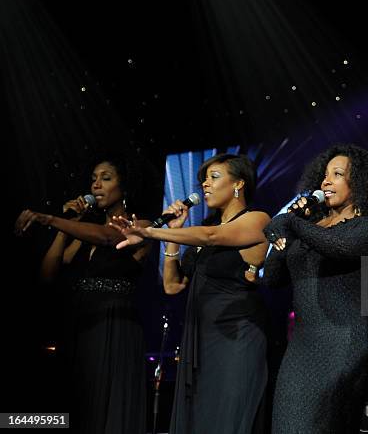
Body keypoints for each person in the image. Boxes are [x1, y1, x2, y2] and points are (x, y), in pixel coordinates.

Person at [111, 153, 270, 434]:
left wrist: (150, 232)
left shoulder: (256, 219)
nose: (205, 185)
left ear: (239, 184)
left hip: (235, 339)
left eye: (214, 177)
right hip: (199, 339)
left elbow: (213, 238)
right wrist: (174, 232)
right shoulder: (205, 230)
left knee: (227, 418)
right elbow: (172, 286)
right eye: (204, 180)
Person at [262, 143, 368, 434]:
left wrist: (290, 222)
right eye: (324, 175)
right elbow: (272, 279)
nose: (326, 181)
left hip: (343, 344)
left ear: (359, 183)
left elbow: (340, 247)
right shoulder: (310, 226)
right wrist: (285, 235)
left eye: (337, 174)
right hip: (301, 349)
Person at [14, 152, 155, 434]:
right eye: (93, 180)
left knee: (105, 406)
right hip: (81, 321)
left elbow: (107, 237)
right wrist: (67, 226)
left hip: (114, 325)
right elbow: (48, 273)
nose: (96, 186)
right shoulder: (82, 232)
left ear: (123, 186)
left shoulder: (142, 226)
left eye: (106, 178)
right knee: (77, 406)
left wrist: (49, 218)